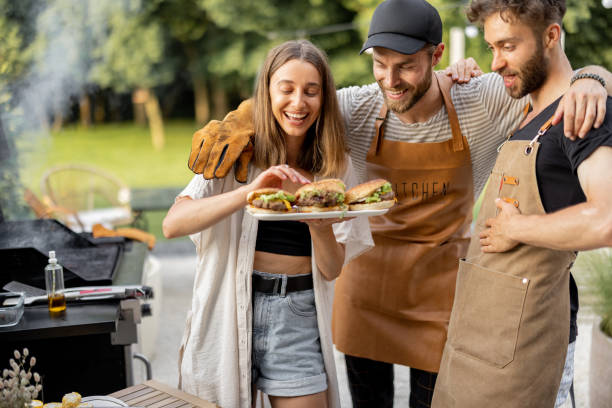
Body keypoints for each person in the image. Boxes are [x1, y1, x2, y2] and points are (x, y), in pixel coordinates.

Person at [185, 1, 612, 406]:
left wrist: (592, 78)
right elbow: (295, 99)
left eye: (406, 65)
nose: (390, 80)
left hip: (438, 296)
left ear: (436, 56)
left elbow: (555, 78)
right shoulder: (357, 106)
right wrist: (241, 117)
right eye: (380, 65)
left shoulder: (485, 99)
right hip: (366, 293)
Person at [163, 40, 373, 408]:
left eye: (311, 91)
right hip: (227, 309)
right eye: (286, 89)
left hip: (297, 314)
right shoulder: (236, 155)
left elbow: (331, 269)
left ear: (324, 99)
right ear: (267, 92)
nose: (298, 103)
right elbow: (173, 224)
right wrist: (249, 195)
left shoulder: (335, 169)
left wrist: (319, 224)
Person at [432, 0, 612, 407]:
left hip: (528, 342)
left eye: (508, 46)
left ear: (551, 36)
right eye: (492, 47)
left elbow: (607, 219)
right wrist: (594, 74)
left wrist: (518, 228)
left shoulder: (580, 112)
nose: (495, 62)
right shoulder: (530, 111)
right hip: (485, 336)